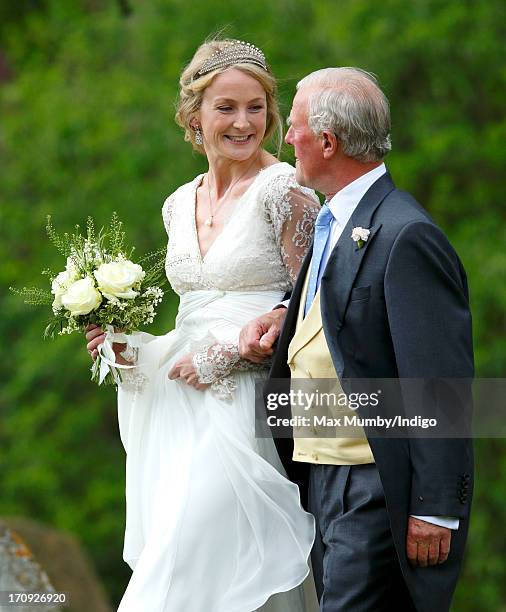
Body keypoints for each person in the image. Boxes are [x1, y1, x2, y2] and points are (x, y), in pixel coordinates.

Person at [85, 40, 321, 612]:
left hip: (250, 411)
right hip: (181, 412)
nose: (244, 123)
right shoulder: (175, 203)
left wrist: (234, 357)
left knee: (192, 569)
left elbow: (316, 307)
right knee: (187, 560)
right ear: (195, 116)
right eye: (226, 108)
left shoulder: (286, 192)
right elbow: (192, 320)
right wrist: (132, 351)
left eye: (257, 108)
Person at [239, 67, 474, 612]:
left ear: (328, 141)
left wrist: (435, 507)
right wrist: (283, 317)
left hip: (374, 485)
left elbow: (440, 378)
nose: (286, 138)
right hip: (322, 477)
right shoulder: (335, 220)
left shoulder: (406, 233)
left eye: (293, 127)